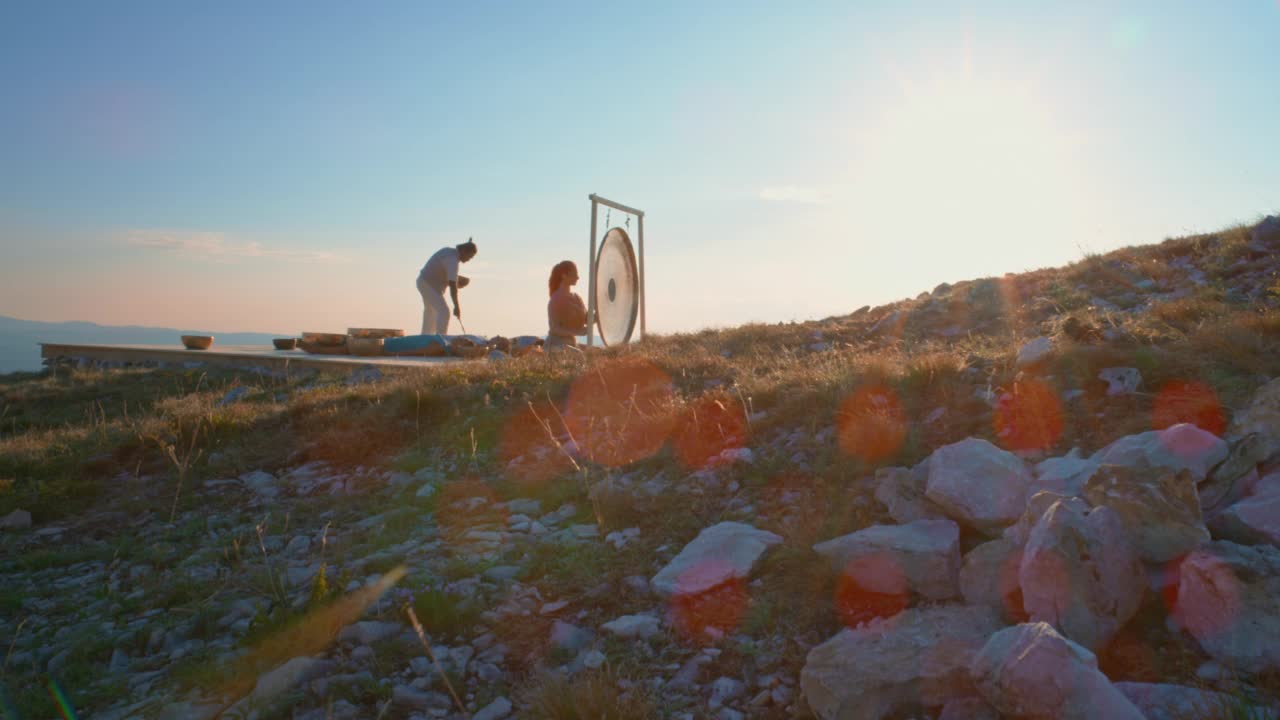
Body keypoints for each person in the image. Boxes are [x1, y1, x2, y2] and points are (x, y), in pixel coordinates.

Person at [417, 239, 476, 335]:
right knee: (444, 312)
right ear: (464, 251)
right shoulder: (453, 260)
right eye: (469, 257)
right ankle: (441, 340)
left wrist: (458, 280)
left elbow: (443, 274)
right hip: (428, 284)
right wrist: (456, 307)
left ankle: (426, 338)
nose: (468, 260)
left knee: (431, 312)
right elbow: (453, 286)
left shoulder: (448, 252)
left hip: (424, 282)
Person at [546, 260, 587, 349]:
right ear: (564, 275)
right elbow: (554, 329)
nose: (578, 277)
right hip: (556, 345)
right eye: (574, 274)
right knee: (578, 355)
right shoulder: (556, 300)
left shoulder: (577, 298)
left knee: (597, 352)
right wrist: (577, 332)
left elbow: (587, 320)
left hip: (572, 344)